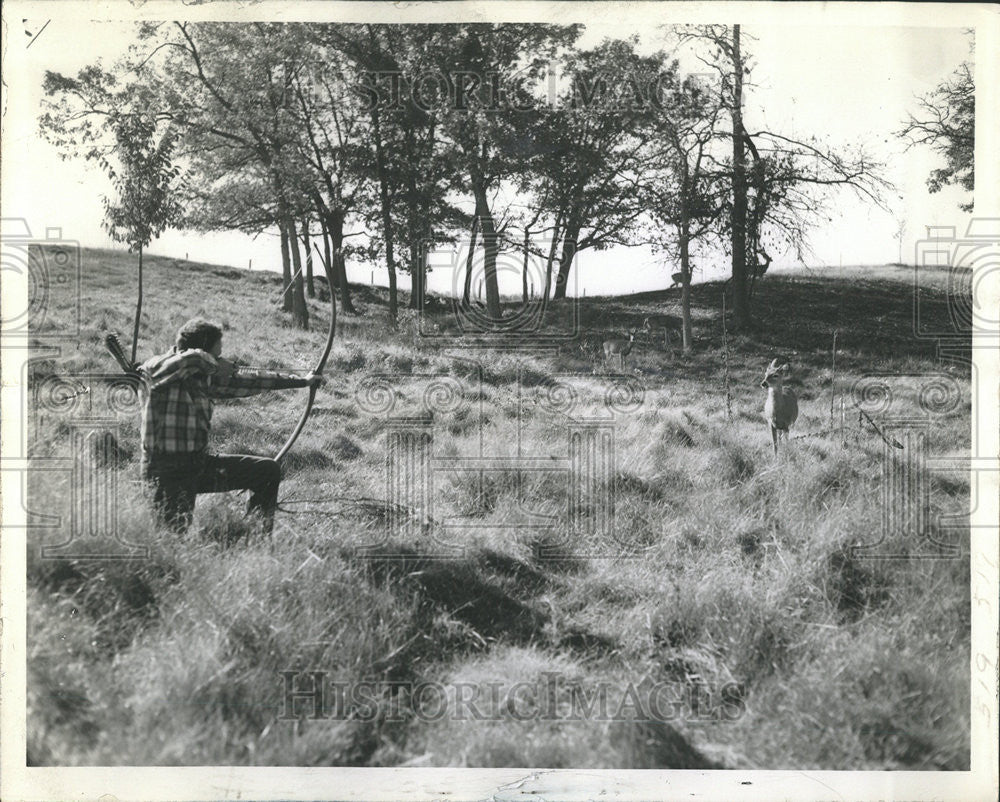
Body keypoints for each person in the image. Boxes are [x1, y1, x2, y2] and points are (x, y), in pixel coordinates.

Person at [138, 317, 324, 534]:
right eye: (218, 353)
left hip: (199, 466)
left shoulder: (205, 376)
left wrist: (302, 381)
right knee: (172, 538)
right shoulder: (156, 368)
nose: (220, 358)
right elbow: (191, 360)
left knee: (266, 471)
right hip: (165, 472)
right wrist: (214, 363)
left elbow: (253, 381)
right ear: (204, 349)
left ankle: (254, 537)